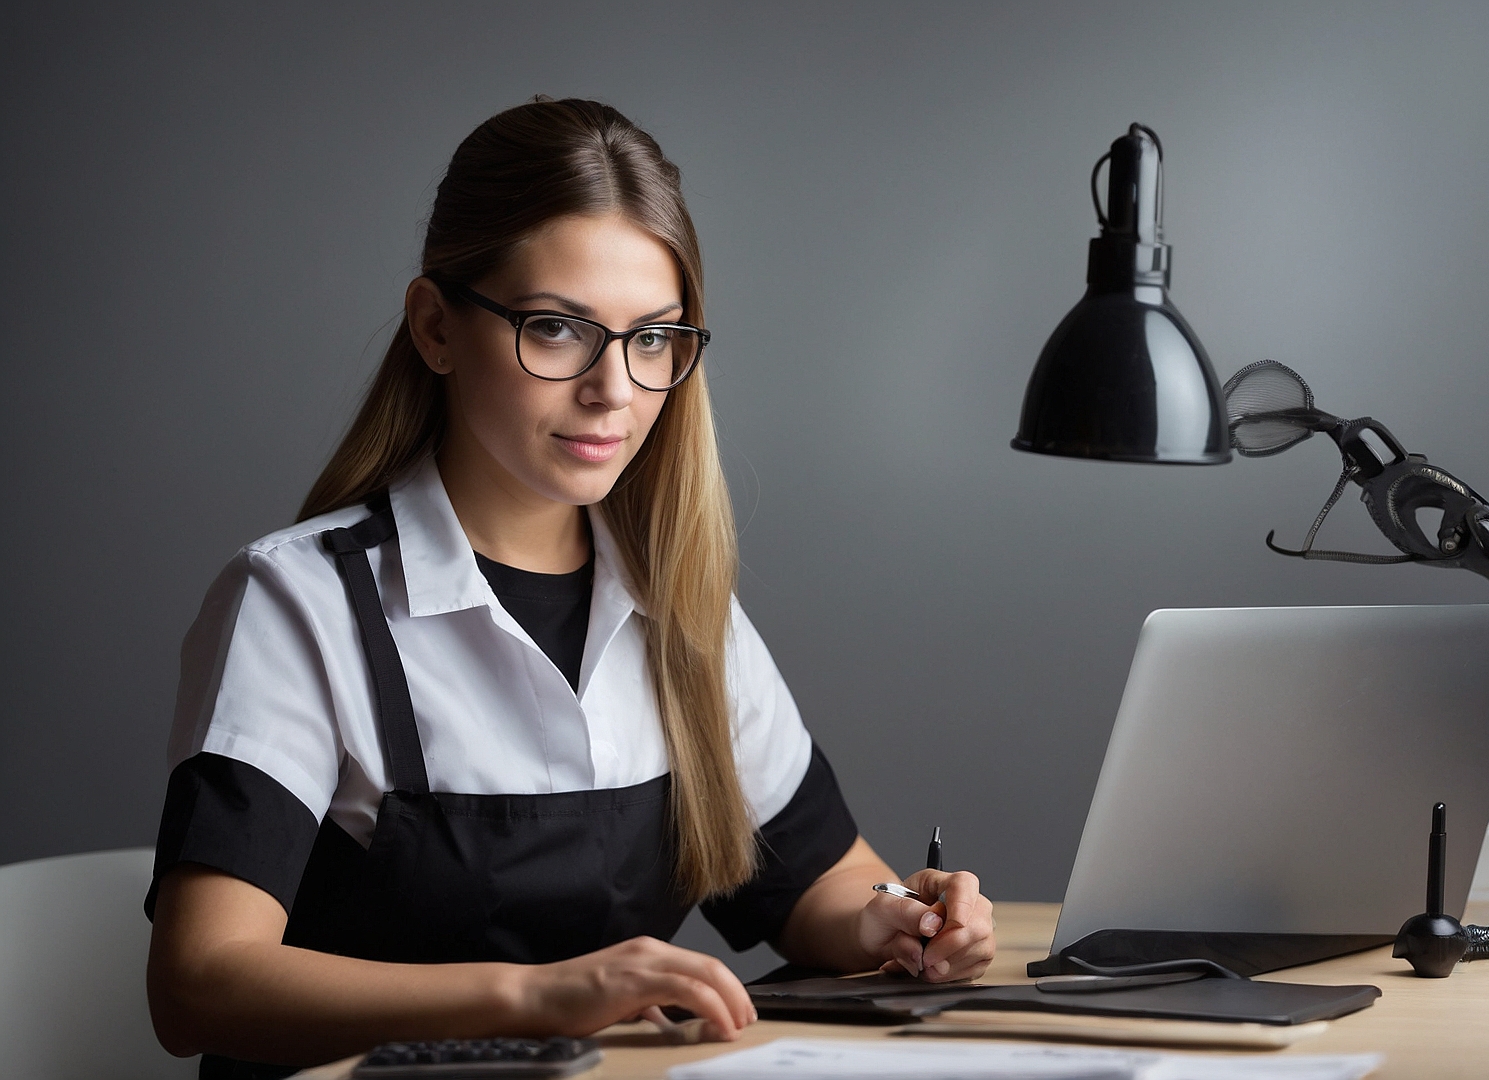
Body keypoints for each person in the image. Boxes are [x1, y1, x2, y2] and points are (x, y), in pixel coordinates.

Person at [143, 97, 996, 1077]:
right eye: (555, 329)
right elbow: (199, 984)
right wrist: (540, 998)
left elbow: (822, 884)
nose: (614, 390)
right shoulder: (298, 602)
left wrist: (903, 921)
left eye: (652, 338)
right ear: (434, 327)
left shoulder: (680, 606)